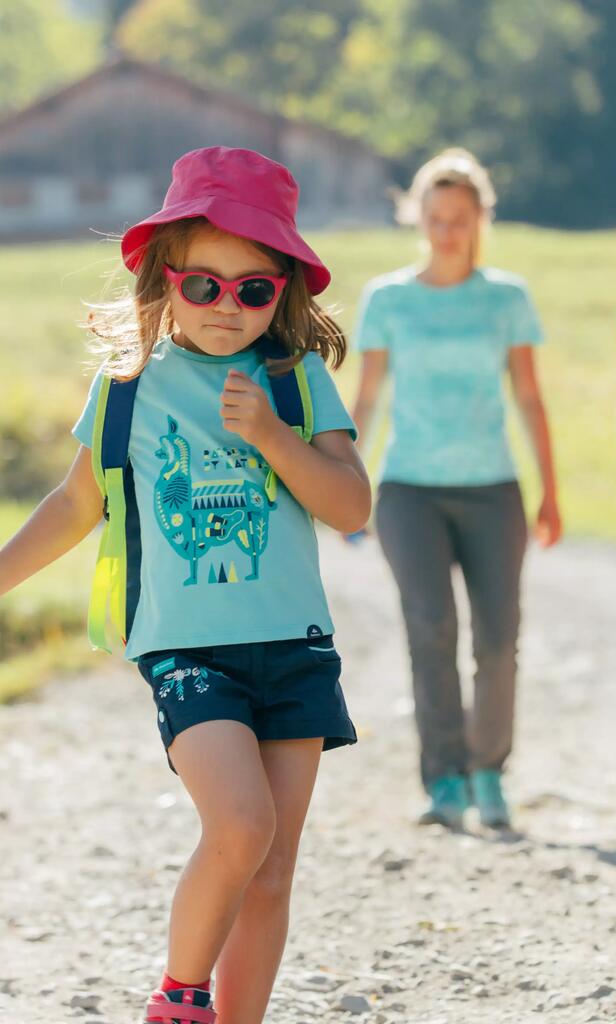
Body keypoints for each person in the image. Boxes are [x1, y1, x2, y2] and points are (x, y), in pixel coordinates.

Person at [0, 146, 371, 1023]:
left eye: (254, 289)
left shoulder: (296, 380)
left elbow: (351, 505)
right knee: (241, 827)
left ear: (285, 291)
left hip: (294, 649)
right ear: (165, 279)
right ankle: (179, 994)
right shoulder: (131, 390)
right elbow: (73, 504)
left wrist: (278, 441)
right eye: (204, 285)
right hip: (187, 650)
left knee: (274, 870)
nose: (227, 307)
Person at [351, 148, 561, 831]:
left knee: (499, 639)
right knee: (431, 628)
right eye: (435, 218)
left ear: (479, 220)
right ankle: (443, 779)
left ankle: (488, 770)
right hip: (409, 491)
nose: (446, 231)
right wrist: (345, 481)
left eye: (459, 219)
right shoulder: (388, 299)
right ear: (418, 218)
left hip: (493, 489)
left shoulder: (507, 298)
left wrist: (551, 489)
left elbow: (529, 397)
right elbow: (368, 400)